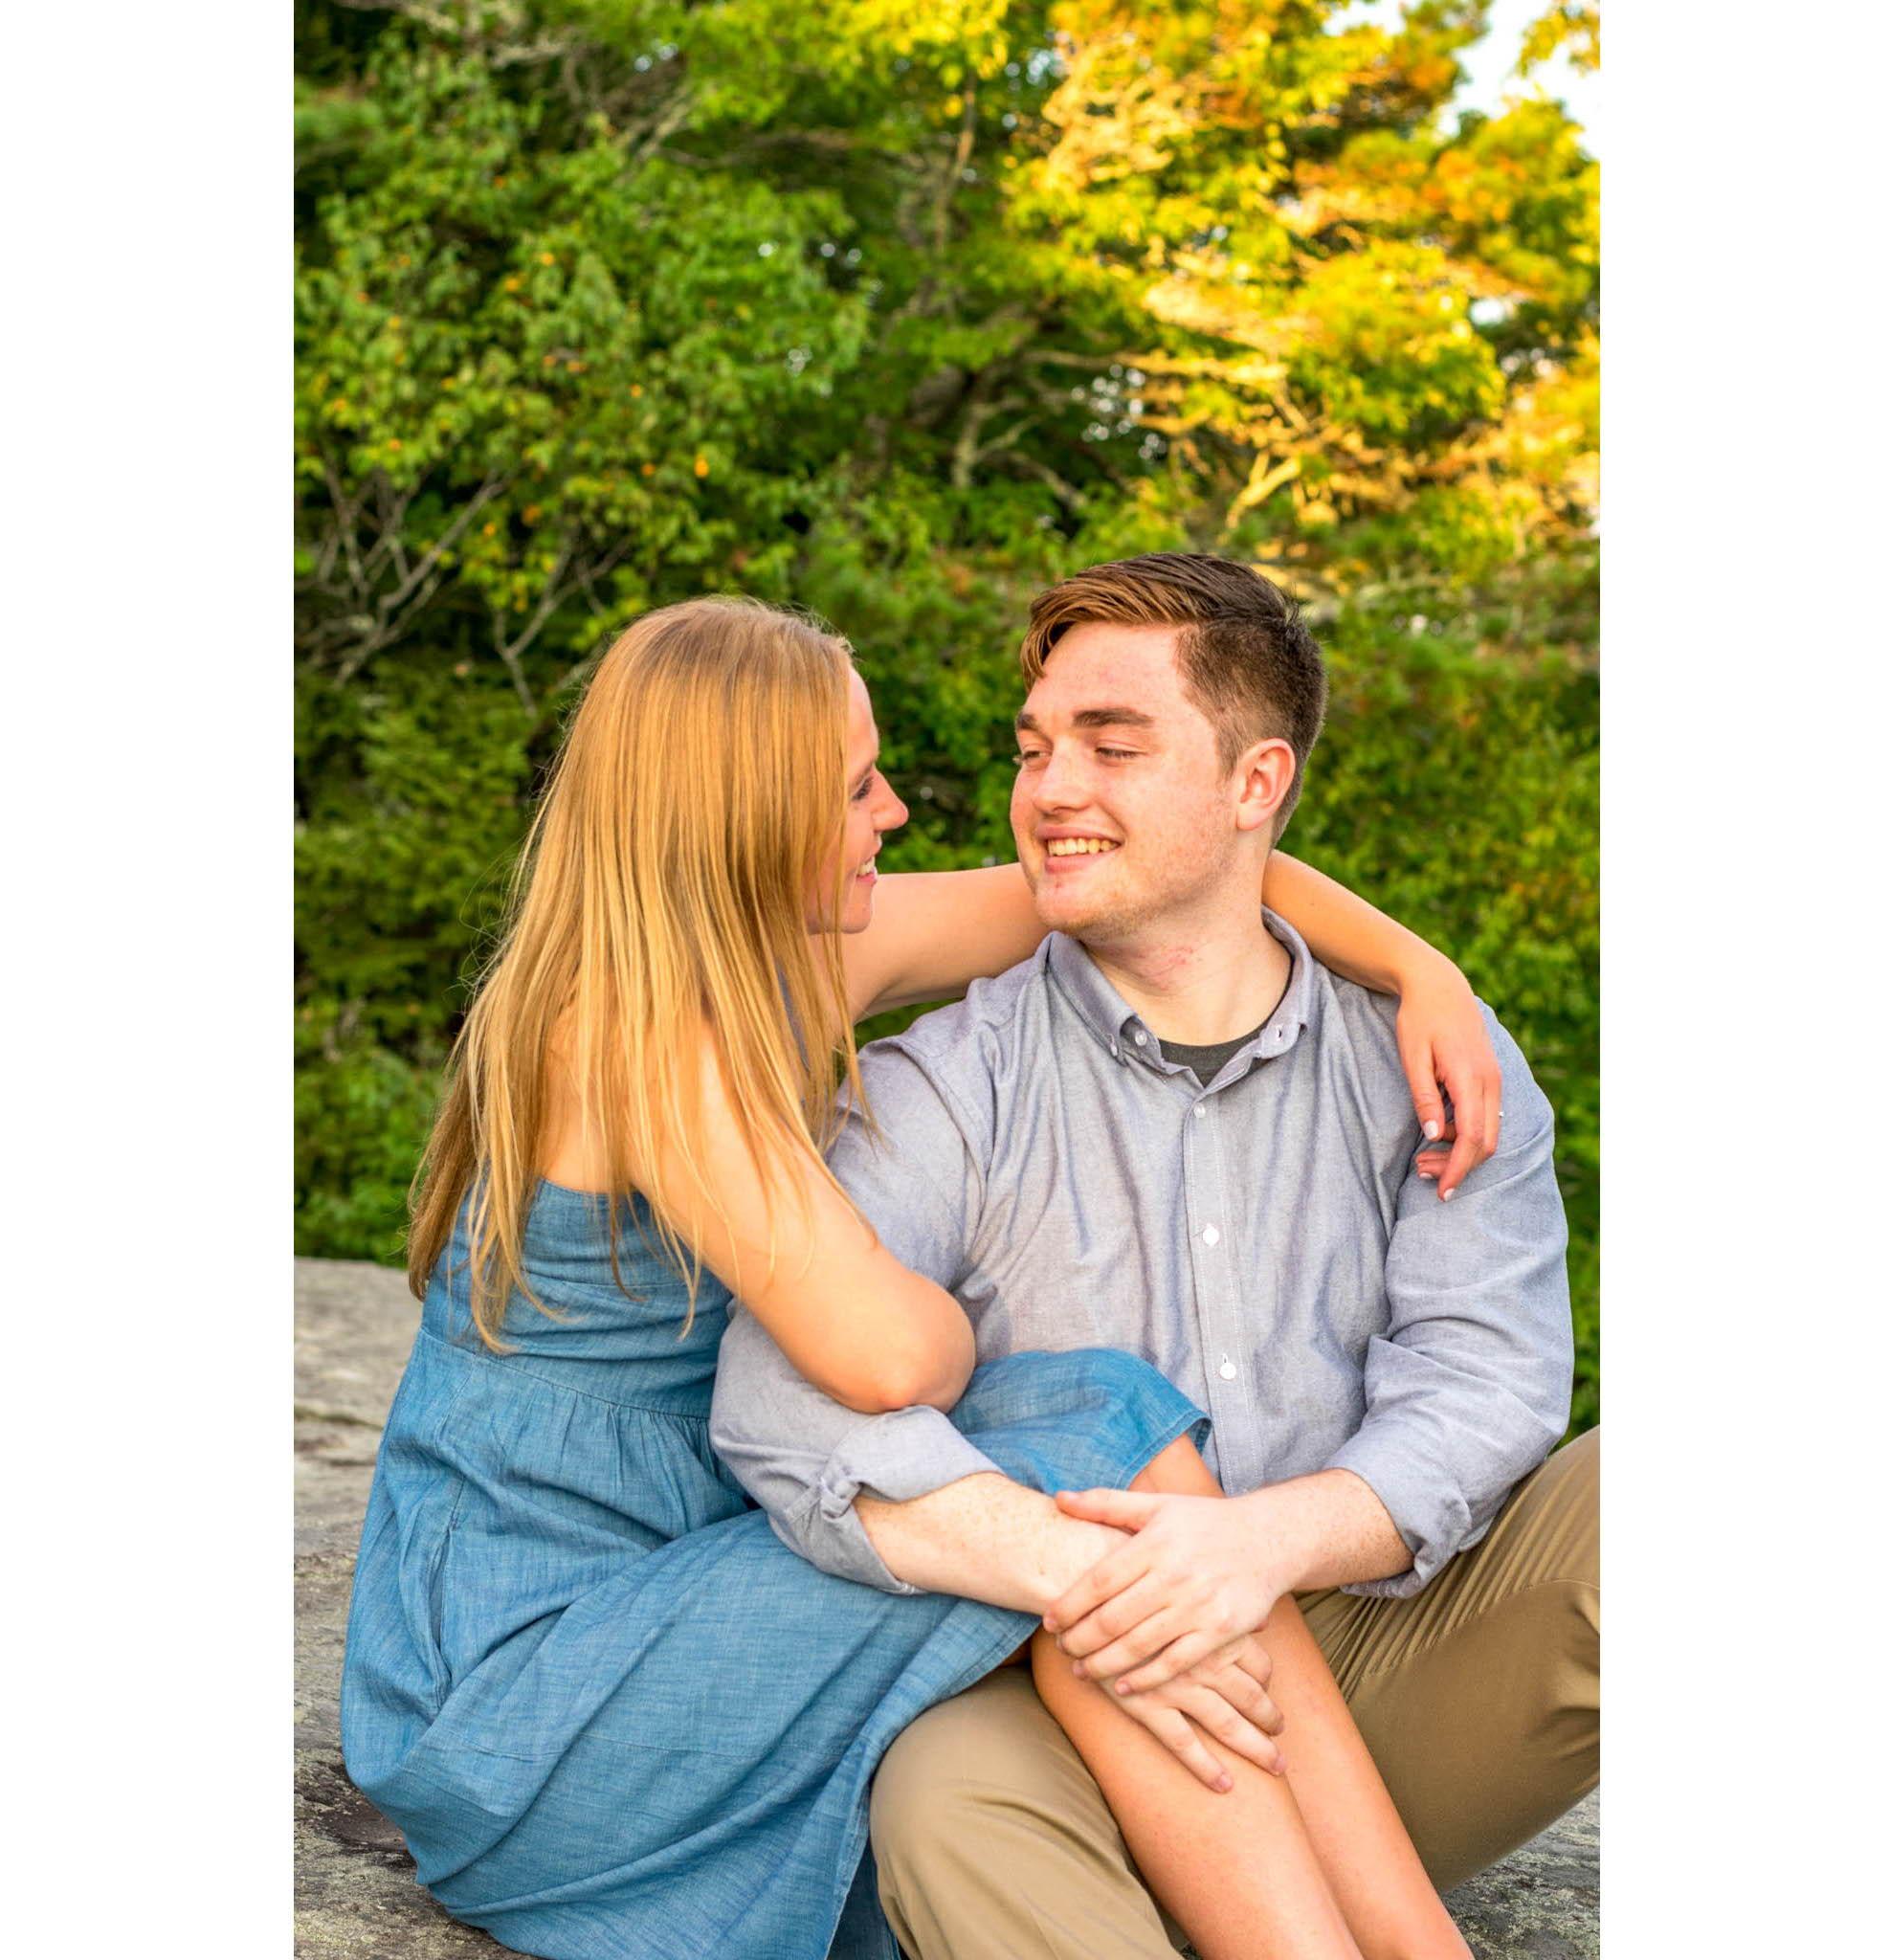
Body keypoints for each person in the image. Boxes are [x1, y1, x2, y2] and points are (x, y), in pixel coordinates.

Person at [340, 591, 1502, 1960]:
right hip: (537, 1687)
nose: (891, 812)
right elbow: (890, 1356)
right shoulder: (635, 1032)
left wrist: (1421, 972)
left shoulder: (806, 957)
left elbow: (1164, 874)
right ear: (747, 816)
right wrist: (956, 1321)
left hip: (691, 1603)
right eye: (855, 786)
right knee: (1094, 1445)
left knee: (1106, 1520)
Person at [712, 553, 1599, 1960]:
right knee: (941, 1800)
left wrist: (1254, 1546)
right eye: (1035, 746)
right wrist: (1096, 1575)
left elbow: (1490, 1385)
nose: (1050, 787)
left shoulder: (1432, 1065)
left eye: (1112, 744)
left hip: (1384, 1655)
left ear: (1257, 786)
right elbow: (776, 1402)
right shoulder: (946, 1083)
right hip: (1097, 1693)